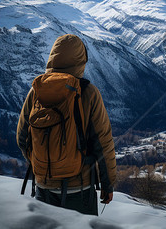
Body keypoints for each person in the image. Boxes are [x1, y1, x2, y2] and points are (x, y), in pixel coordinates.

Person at [17, 34, 116, 215]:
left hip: (43, 188)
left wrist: (42, 163)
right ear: (80, 62)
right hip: (80, 191)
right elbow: (103, 144)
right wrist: (107, 184)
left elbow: (22, 137)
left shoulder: (36, 91)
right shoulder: (89, 93)